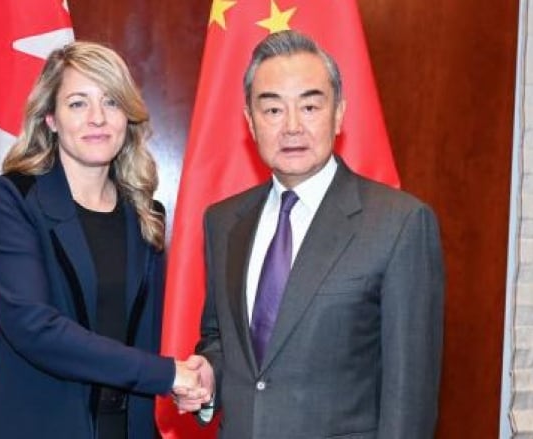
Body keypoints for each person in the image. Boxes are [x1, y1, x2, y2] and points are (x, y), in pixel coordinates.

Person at [175, 30, 445, 438]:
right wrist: (210, 371)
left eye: (310, 106)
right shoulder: (224, 221)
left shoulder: (399, 224)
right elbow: (221, 339)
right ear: (250, 121)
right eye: (273, 110)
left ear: (339, 114)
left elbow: (409, 397)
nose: (292, 127)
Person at [0, 41, 204, 439]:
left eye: (111, 102)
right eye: (78, 103)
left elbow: (154, 332)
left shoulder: (145, 215)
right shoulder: (12, 200)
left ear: (126, 117)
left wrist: (200, 372)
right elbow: (35, 328)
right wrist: (166, 375)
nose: (97, 118)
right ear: (51, 119)